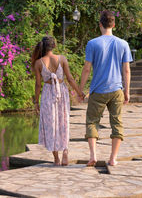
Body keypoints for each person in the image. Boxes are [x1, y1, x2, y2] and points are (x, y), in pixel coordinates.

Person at [80, 10, 132, 167]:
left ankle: (93, 156)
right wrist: (127, 91)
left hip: (97, 90)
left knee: (92, 122)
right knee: (117, 123)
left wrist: (80, 90)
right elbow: (127, 70)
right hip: (116, 90)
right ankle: (113, 158)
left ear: (100, 24)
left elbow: (87, 69)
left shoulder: (92, 43)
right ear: (114, 25)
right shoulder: (123, 44)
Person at [32, 36, 85, 166]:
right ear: (54, 46)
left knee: (51, 126)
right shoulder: (62, 59)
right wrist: (80, 93)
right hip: (61, 93)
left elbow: (38, 85)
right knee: (63, 122)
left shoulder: (38, 63)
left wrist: (36, 102)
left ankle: (56, 158)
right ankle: (65, 152)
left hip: (47, 94)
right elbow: (70, 79)